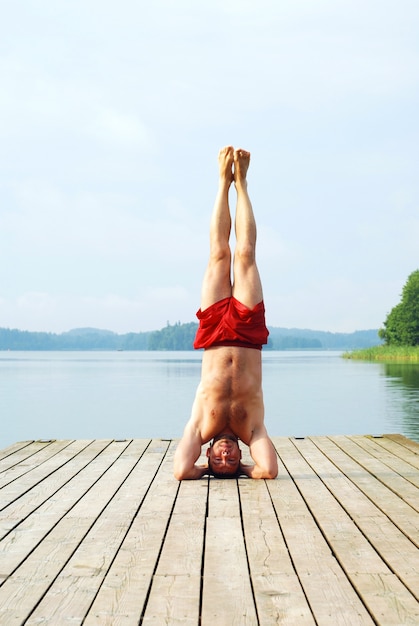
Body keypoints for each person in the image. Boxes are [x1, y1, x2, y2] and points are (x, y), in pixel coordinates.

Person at [173, 146, 278, 480]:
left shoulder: (202, 425)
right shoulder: (252, 429)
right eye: (229, 463)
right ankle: (243, 183)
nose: (225, 458)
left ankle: (222, 182)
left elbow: (180, 471)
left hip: (215, 337)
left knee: (219, 255)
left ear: (208, 452)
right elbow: (269, 470)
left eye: (217, 460)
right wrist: (244, 470)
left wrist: (205, 470)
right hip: (247, 338)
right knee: (245, 255)